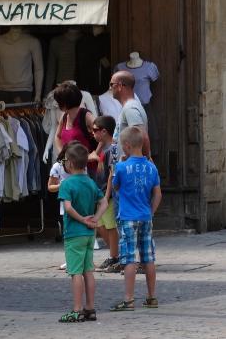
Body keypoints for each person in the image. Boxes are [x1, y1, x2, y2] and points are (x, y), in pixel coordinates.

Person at [110, 126, 162, 311]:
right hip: (145, 217)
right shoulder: (151, 167)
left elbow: (115, 188)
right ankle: (151, 297)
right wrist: (151, 211)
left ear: (126, 145)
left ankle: (129, 299)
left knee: (129, 259)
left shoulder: (122, 167)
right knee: (148, 258)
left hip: (127, 217)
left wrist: (117, 169)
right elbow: (157, 194)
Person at [58, 143, 108, 322]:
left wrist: (81, 219)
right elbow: (104, 203)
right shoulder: (90, 182)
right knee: (88, 270)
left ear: (69, 163)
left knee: (75, 272)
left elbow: (68, 208)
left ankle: (77, 309)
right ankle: (90, 308)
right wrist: (94, 218)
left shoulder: (66, 184)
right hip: (89, 234)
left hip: (74, 233)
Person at [90, 116, 120, 271]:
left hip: (106, 193)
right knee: (101, 225)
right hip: (100, 191)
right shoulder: (103, 147)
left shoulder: (113, 149)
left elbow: (111, 174)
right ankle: (116, 254)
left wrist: (107, 196)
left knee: (110, 226)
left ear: (104, 131)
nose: (92, 133)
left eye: (95, 130)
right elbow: (91, 156)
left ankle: (115, 256)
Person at [53, 82, 98, 177]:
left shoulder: (86, 116)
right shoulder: (65, 117)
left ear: (64, 103)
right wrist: (63, 155)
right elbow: (57, 136)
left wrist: (93, 155)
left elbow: (103, 135)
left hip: (88, 170)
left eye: (58, 102)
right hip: (70, 169)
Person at [109, 70, 150, 160]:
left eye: (112, 84)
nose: (110, 88)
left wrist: (146, 162)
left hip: (129, 170)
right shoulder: (128, 107)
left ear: (120, 86)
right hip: (123, 169)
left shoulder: (130, 108)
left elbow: (142, 136)